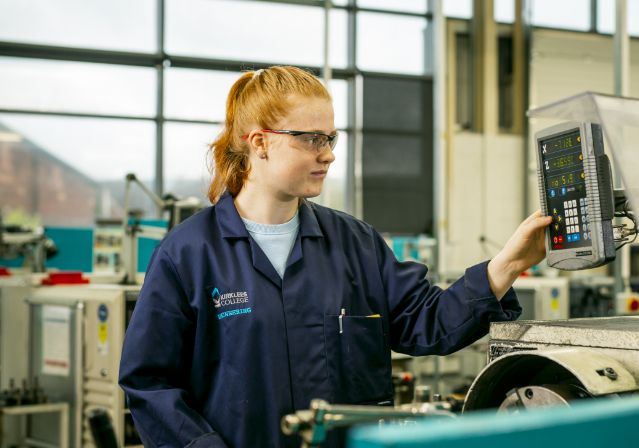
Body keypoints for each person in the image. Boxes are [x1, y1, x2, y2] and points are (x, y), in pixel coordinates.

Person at [119, 65, 551, 447]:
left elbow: (428, 323)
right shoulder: (189, 253)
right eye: (310, 139)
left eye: (330, 137)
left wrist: (509, 262)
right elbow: (149, 383)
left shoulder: (355, 243)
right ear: (259, 143)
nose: (328, 153)